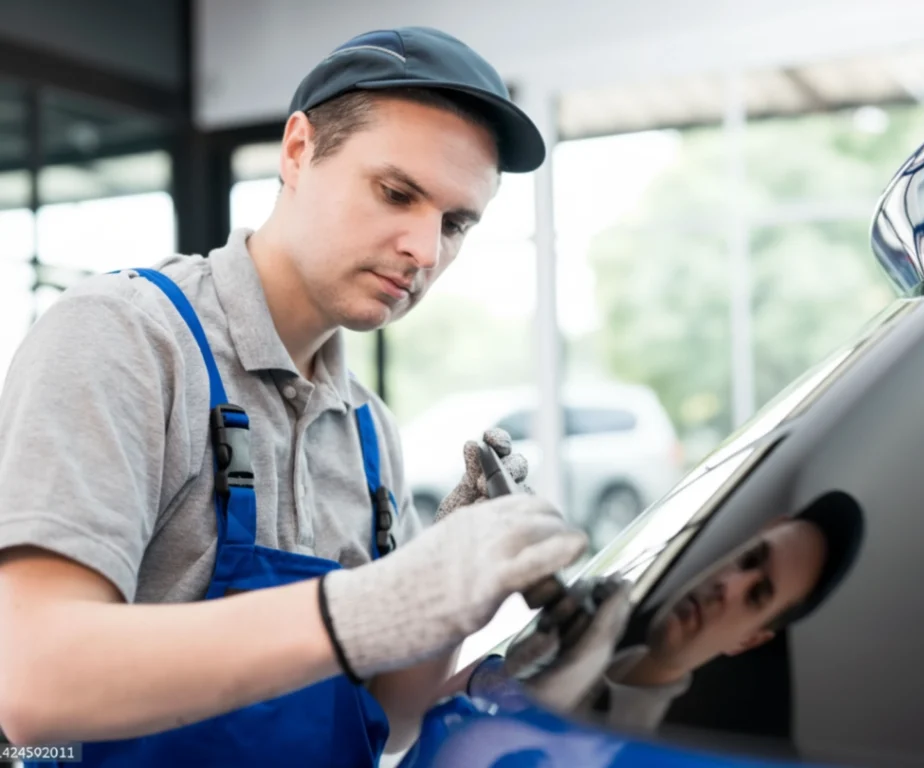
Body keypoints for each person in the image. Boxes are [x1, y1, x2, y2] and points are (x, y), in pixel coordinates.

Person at [0, 26, 588, 768]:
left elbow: (387, 717)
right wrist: (369, 604)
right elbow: (35, 683)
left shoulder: (370, 431)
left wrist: (461, 598)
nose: (426, 249)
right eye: (397, 192)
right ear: (298, 150)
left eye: (456, 222)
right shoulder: (126, 341)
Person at [601, 503, 864, 732]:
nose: (728, 585)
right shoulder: (600, 635)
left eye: (755, 596)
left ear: (748, 641)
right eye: (748, 559)